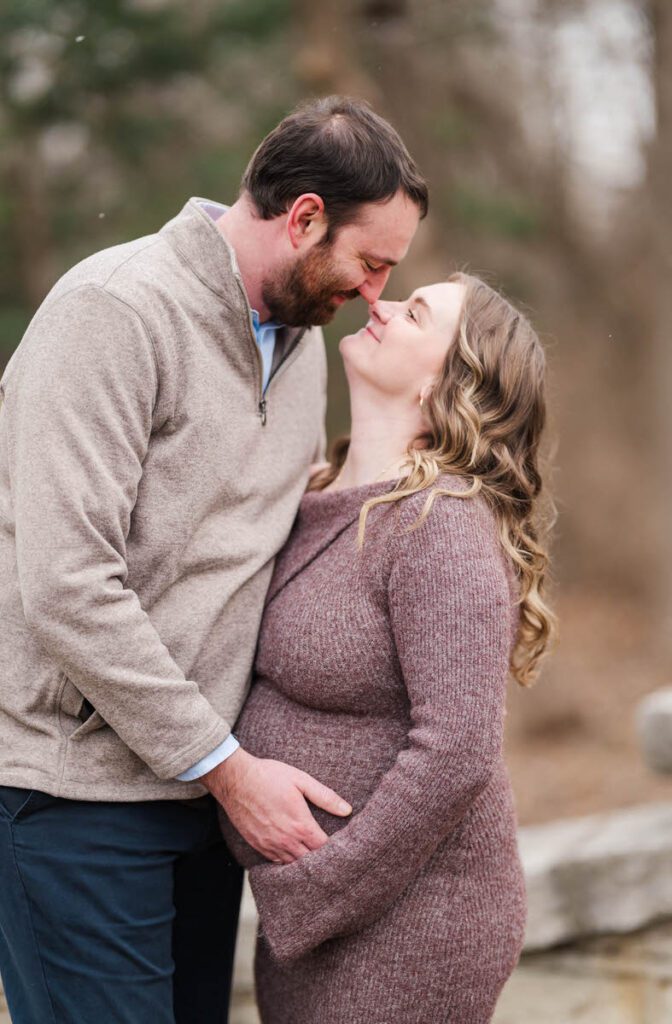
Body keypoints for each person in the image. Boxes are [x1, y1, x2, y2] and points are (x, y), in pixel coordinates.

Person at [0, 96, 427, 1024]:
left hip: (203, 803)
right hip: (74, 794)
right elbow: (67, 588)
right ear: (304, 216)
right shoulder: (111, 313)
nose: (374, 295)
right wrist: (228, 766)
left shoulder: (301, 347)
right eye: (371, 263)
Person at [221, 272, 557, 1023]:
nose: (378, 304)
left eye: (413, 313)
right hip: (315, 919)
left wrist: (317, 888)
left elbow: (459, 749)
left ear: (445, 382)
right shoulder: (313, 493)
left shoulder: (437, 525)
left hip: (410, 920)